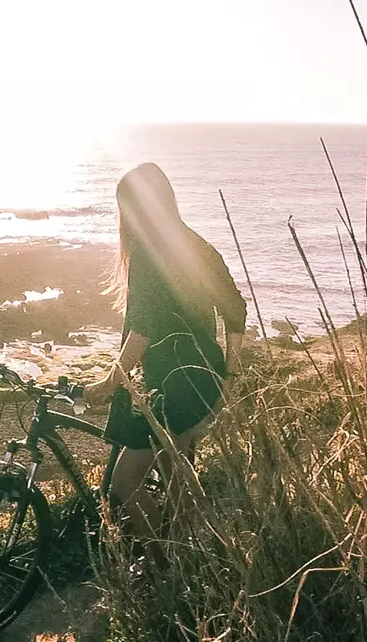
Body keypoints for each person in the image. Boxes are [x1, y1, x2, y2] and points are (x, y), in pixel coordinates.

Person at [86, 162, 246, 545]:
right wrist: (229, 371)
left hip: (171, 383)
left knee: (125, 481)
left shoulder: (148, 253)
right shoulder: (196, 244)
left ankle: (163, 562)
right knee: (178, 476)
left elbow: (144, 327)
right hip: (201, 376)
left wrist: (112, 380)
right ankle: (183, 559)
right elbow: (236, 309)